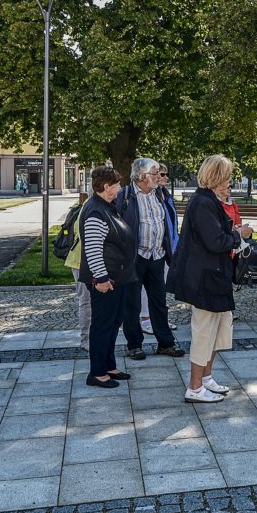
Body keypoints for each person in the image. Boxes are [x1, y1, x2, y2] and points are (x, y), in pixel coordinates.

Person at [168, 155, 253, 402]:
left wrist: (233, 233)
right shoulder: (203, 202)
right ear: (216, 177)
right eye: (227, 177)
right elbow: (214, 241)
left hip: (216, 275)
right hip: (205, 278)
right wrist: (239, 235)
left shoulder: (210, 201)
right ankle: (195, 388)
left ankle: (206, 378)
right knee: (204, 333)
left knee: (218, 331)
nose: (230, 182)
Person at [116, 158, 185, 360]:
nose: (159, 177)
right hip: (135, 257)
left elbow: (168, 223)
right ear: (143, 176)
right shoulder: (125, 196)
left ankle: (166, 343)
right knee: (132, 303)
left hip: (157, 255)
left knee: (159, 302)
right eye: (155, 174)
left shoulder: (160, 194)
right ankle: (134, 345)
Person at [80, 166, 136, 389]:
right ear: (106, 187)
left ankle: (108, 365)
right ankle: (97, 372)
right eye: (117, 184)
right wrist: (101, 278)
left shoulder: (106, 207)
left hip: (117, 277)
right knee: (103, 325)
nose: (120, 188)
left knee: (113, 323)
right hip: (106, 280)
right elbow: (93, 250)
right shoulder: (96, 211)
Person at [138, 164, 180, 334]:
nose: (164, 177)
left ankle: (159, 321)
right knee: (145, 288)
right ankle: (145, 318)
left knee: (159, 288)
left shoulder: (163, 194)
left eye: (165, 174)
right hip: (148, 249)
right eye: (161, 174)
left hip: (164, 248)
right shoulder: (149, 195)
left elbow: (170, 222)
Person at [64, 199, 91, 351]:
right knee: (86, 301)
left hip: (88, 261)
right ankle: (86, 339)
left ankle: (94, 336)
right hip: (81, 262)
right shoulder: (90, 206)